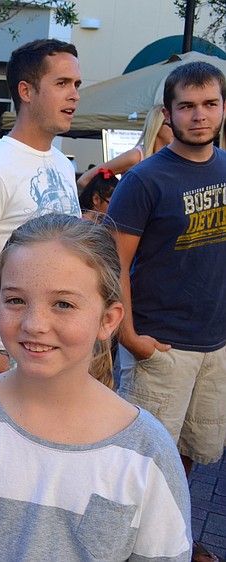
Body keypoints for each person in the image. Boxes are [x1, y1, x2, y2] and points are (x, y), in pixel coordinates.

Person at [0, 213, 192, 561]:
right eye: (15, 300)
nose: (34, 324)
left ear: (109, 319)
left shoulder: (148, 453)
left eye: (63, 304)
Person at [105, 61, 226, 562]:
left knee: (190, 454)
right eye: (188, 106)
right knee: (143, 458)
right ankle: (126, 547)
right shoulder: (145, 179)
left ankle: (171, 538)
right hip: (161, 345)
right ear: (168, 113)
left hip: (214, 346)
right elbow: (112, 264)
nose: (200, 116)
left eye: (210, 104)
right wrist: (130, 338)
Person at [0, 38, 82, 383]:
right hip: (8, 351)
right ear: (26, 90)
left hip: (57, 346)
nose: (74, 95)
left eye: (76, 84)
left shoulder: (62, 164)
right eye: (62, 83)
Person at [76, 103, 172, 189]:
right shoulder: (136, 156)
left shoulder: (173, 158)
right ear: (157, 126)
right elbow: (84, 180)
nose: (176, 130)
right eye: (171, 125)